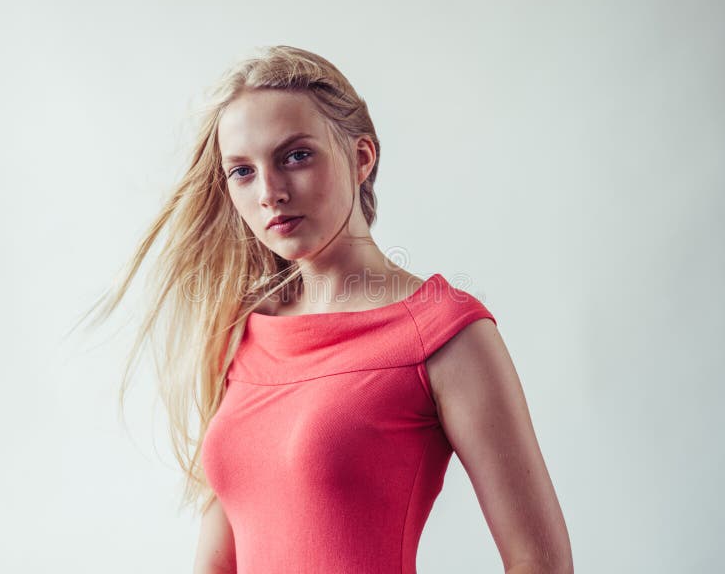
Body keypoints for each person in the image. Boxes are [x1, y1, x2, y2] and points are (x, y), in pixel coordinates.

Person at [79, 45, 573, 573]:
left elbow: (539, 562)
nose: (270, 192)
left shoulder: (443, 332)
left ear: (362, 158)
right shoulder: (244, 332)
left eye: (295, 156)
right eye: (242, 172)